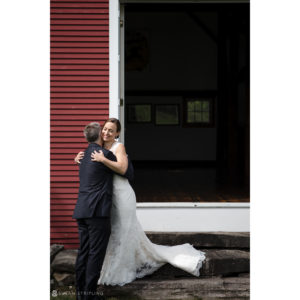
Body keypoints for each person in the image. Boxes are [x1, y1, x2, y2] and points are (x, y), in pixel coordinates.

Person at [74, 118, 206, 287]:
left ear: (117, 133)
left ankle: (120, 270)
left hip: (121, 197)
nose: (107, 132)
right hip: (105, 200)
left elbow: (122, 168)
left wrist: (103, 160)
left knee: (122, 232)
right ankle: (106, 271)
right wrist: (79, 159)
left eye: (111, 130)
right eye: (105, 129)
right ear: (101, 132)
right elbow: (91, 169)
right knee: (112, 235)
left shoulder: (117, 147)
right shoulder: (99, 149)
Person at [72, 122, 133, 300]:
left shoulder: (82, 156)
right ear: (99, 136)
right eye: (103, 131)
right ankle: (89, 296)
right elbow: (125, 170)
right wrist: (106, 157)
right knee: (95, 255)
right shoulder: (104, 154)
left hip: (81, 210)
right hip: (97, 212)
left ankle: (79, 294)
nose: (106, 133)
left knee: (83, 252)